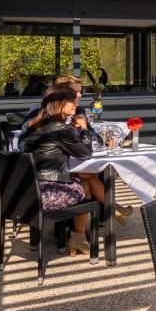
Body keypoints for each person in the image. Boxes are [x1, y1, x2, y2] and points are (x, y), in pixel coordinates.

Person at [23, 84, 97, 256]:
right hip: (47, 195)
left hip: (29, 192)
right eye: (71, 101)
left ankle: (76, 238)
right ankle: (78, 238)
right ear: (58, 103)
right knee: (86, 185)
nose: (75, 104)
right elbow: (85, 154)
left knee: (83, 180)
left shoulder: (35, 124)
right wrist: (84, 129)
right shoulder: (60, 129)